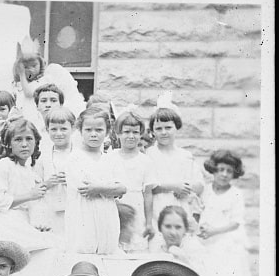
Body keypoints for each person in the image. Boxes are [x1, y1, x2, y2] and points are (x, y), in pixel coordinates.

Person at [0, 118, 54, 251]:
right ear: (8, 144)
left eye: (29, 139)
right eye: (18, 140)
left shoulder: (28, 169)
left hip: (24, 220)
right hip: (7, 222)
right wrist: (30, 195)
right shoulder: (4, 166)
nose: (24, 144)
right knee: (47, 246)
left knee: (55, 243)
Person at [63, 106, 127, 254]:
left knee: (107, 250)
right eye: (88, 130)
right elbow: (85, 189)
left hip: (106, 215)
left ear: (107, 131)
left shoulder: (111, 159)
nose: (93, 134)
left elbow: (123, 188)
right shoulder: (74, 158)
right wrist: (110, 188)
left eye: (99, 130)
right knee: (83, 251)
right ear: (80, 131)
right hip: (83, 215)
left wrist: (98, 188)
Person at [144, 94, 206, 233]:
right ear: (152, 131)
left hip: (181, 208)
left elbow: (200, 184)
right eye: (158, 129)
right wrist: (173, 186)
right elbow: (146, 187)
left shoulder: (185, 156)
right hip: (157, 208)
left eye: (168, 127)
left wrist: (186, 188)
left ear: (176, 127)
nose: (164, 132)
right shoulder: (149, 154)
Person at [107, 109, 154, 251]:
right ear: (118, 133)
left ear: (141, 134)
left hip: (136, 207)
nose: (131, 136)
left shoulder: (145, 161)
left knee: (135, 244)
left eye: (135, 132)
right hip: (114, 207)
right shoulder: (109, 158)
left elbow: (148, 194)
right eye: (126, 132)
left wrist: (149, 222)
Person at [32, 105, 76, 237]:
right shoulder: (43, 157)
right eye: (54, 129)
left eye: (63, 129)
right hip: (51, 208)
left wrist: (72, 180)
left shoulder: (78, 155)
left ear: (73, 128)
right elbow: (36, 186)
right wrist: (47, 183)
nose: (59, 133)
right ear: (47, 130)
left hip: (73, 207)